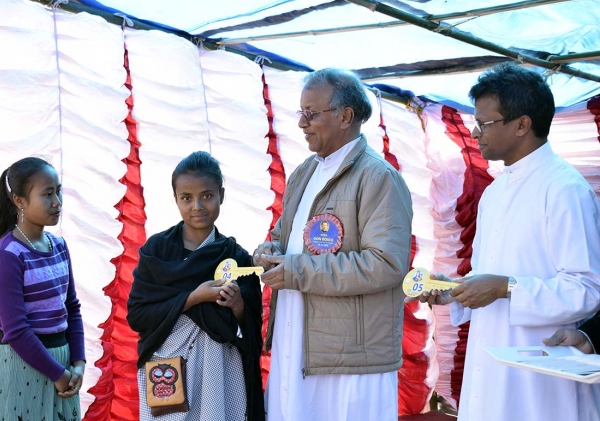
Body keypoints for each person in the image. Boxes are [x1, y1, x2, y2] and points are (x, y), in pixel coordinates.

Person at [418, 63, 600, 421]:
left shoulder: (564, 189)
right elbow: (491, 277)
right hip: (490, 356)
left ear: (521, 125)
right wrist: (456, 291)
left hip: (541, 362)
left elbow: (587, 289)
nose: (474, 132)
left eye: (485, 123)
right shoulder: (496, 190)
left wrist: (505, 288)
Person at [254, 68, 413, 420]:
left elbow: (385, 264)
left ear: (345, 116)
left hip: (350, 358)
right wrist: (268, 252)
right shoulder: (304, 173)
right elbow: (283, 238)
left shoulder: (379, 177)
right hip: (297, 343)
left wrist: (296, 270)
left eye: (311, 114)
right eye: (301, 113)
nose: (302, 124)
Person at [127, 151, 264, 421]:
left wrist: (237, 306)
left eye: (207, 196)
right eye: (187, 198)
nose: (197, 206)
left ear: (221, 195)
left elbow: (251, 328)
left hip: (220, 367)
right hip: (166, 366)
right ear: (176, 198)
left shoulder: (236, 257)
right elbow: (138, 315)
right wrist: (193, 297)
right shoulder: (158, 250)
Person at [0, 157, 85, 421]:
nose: (57, 202)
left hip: (63, 365)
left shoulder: (59, 246)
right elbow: (16, 330)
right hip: (20, 366)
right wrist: (58, 374)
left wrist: (79, 363)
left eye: (58, 191)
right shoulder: (7, 256)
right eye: (47, 194)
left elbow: (71, 308)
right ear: (19, 201)